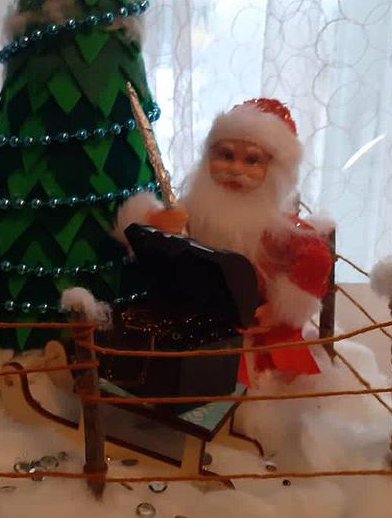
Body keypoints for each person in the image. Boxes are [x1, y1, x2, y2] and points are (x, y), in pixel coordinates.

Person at [112, 98, 333, 383]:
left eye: (251, 160)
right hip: (191, 321)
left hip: (250, 333)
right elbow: (147, 237)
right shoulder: (193, 208)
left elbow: (315, 259)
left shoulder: (280, 230)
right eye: (226, 156)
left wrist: (279, 310)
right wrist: (157, 222)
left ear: (274, 169)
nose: (236, 169)